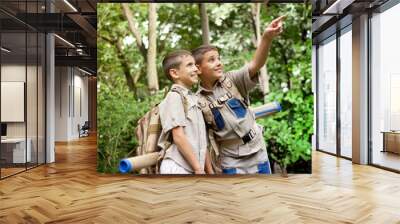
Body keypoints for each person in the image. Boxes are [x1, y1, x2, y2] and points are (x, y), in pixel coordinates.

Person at [191, 16, 285, 174]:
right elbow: (202, 141)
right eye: (212, 60)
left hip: (257, 148)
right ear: (198, 69)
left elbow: (256, 64)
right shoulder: (198, 101)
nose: (219, 63)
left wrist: (266, 38)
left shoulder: (232, 80)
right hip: (230, 158)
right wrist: (208, 171)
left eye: (219, 58)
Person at [158, 50, 214, 174]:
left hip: (194, 169)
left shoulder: (194, 98)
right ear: (174, 73)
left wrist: (210, 172)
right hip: (178, 167)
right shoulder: (174, 97)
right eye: (189, 65)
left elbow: (201, 142)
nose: (196, 69)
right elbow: (178, 137)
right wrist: (198, 169)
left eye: (195, 64)